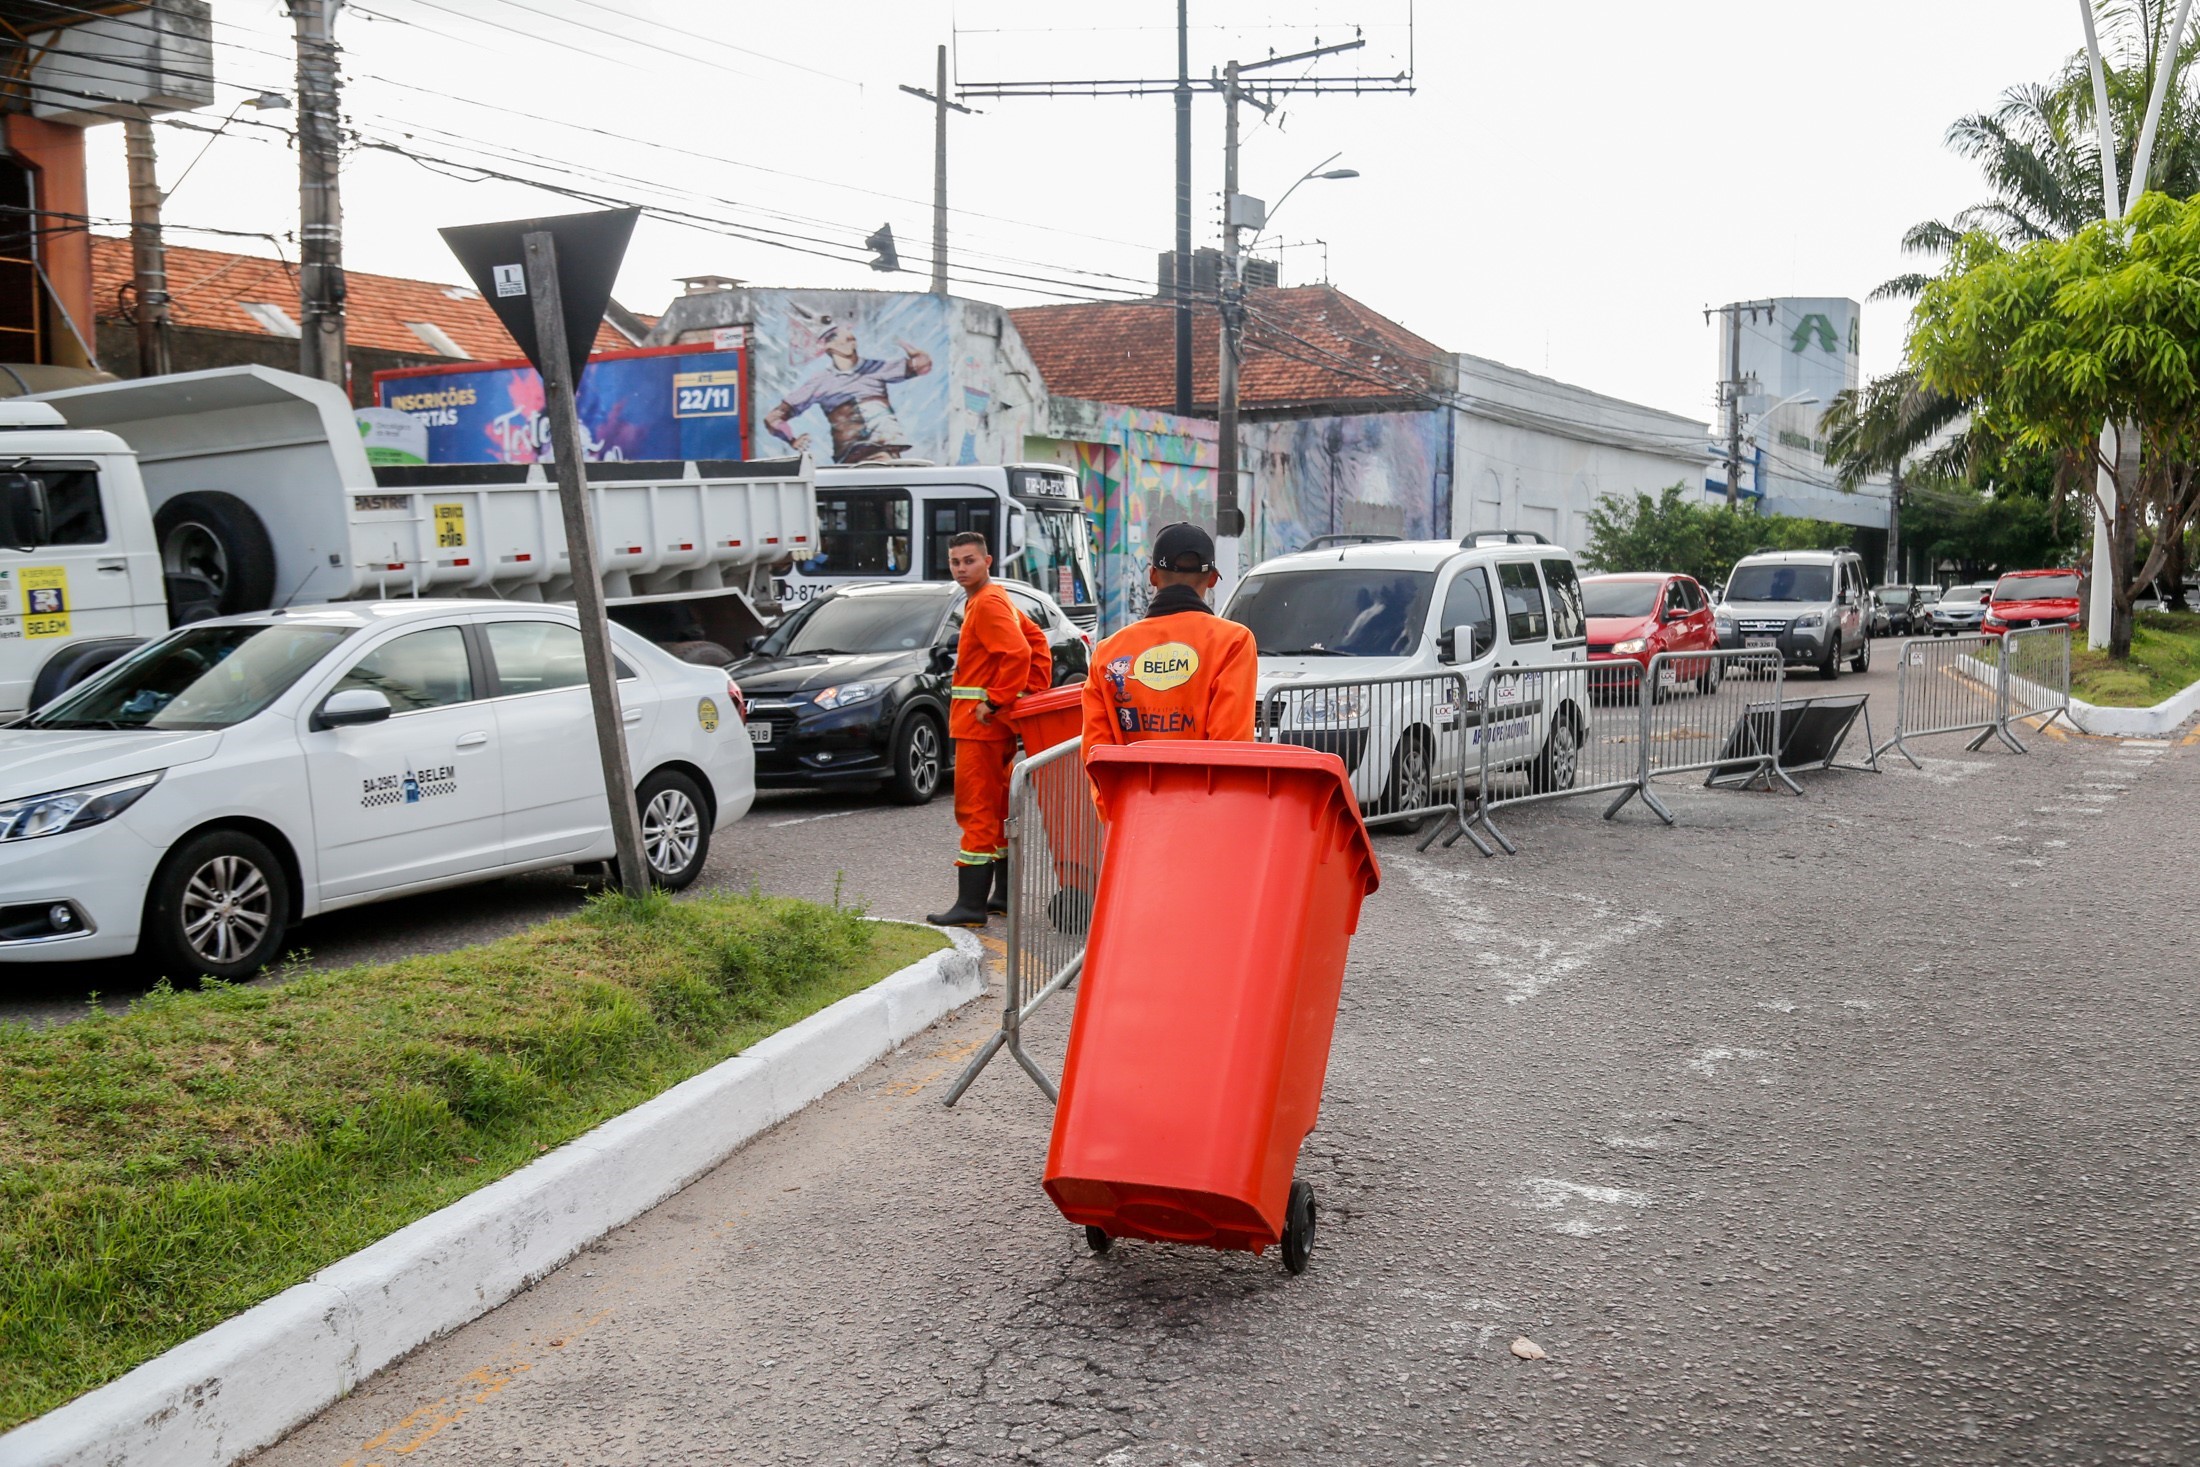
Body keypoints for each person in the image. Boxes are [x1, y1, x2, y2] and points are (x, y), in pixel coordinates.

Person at [1081, 521, 1257, 783]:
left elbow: (1096, 754)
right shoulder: (1233, 642)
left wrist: (1115, 814)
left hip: (1130, 813)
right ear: (1211, 580)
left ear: (1152, 576)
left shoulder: (1108, 653)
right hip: (1204, 813)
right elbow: (1230, 748)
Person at [927, 531, 1043, 927]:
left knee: (975, 810)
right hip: (992, 726)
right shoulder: (993, 599)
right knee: (995, 812)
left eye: (969, 560)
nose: (961, 568)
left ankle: (970, 906)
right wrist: (1022, 699)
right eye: (956, 561)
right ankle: (1001, 898)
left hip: (980, 727)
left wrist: (995, 700)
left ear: (988, 561)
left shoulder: (987, 602)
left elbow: (1019, 653)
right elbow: (1036, 643)